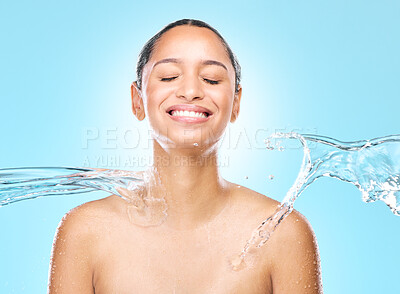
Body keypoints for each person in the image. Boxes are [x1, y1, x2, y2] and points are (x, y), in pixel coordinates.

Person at [48, 19, 323, 293]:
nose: (191, 91)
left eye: (211, 79)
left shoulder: (281, 233)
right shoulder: (85, 231)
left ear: (236, 103)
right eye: (168, 76)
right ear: (137, 100)